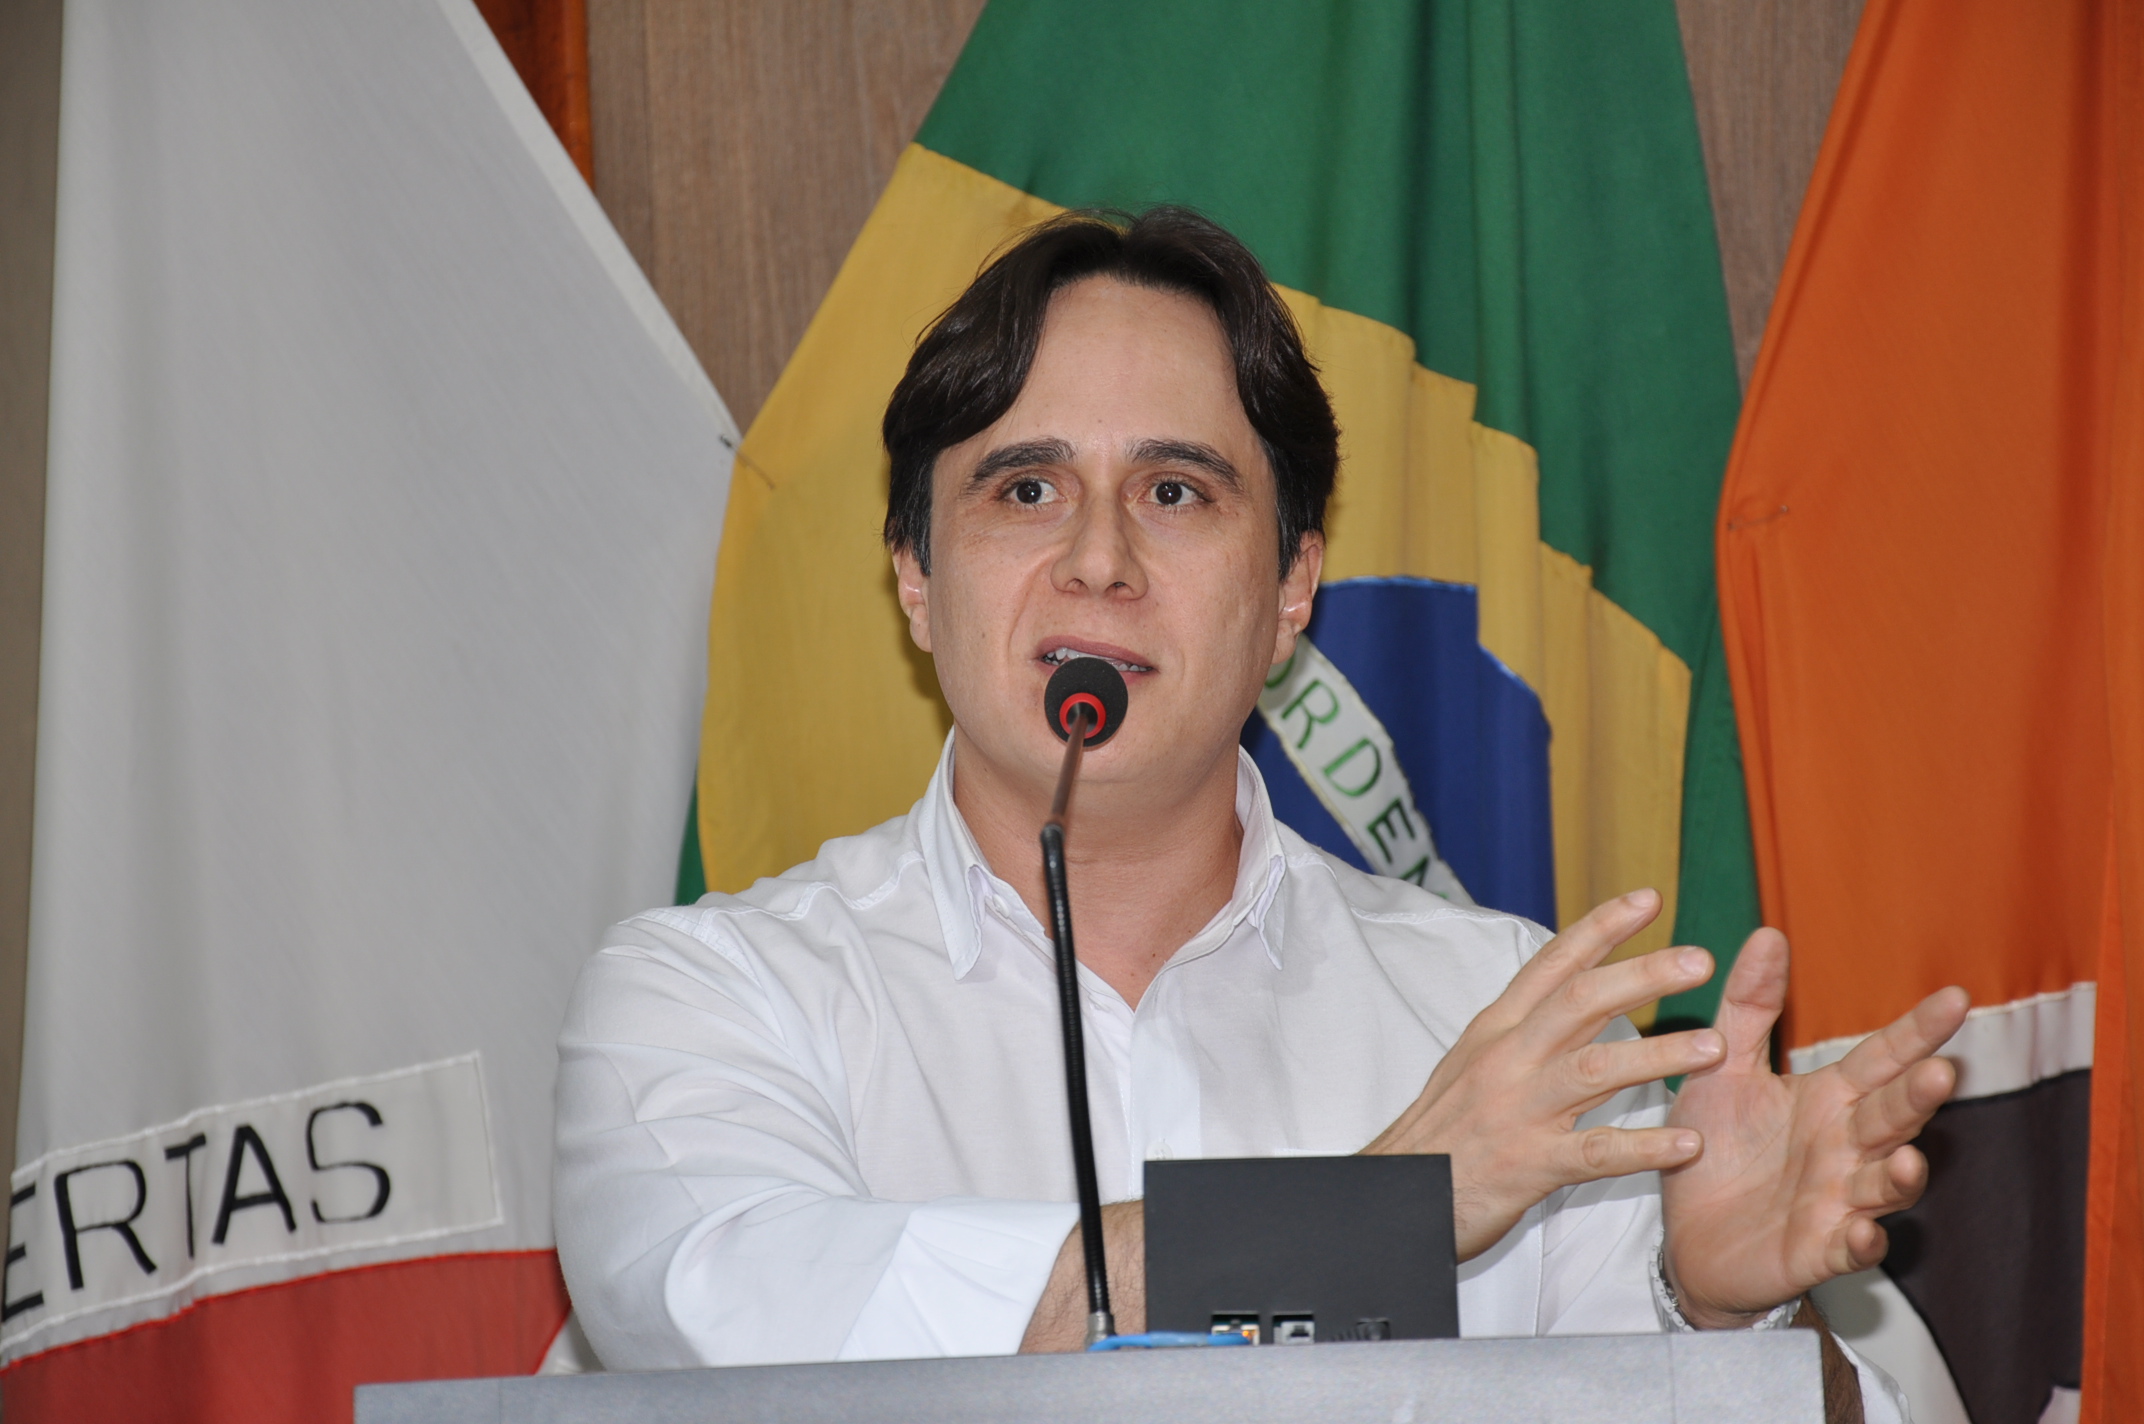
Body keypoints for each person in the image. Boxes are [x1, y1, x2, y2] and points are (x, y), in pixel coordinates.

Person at [554, 208, 1966, 1419]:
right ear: (916, 579)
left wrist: (1729, 1317)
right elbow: (749, 1332)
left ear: (1293, 587)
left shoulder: (1512, 1029)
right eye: (1026, 488)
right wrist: (1390, 1211)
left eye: (1175, 491)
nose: (1099, 560)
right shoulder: (712, 998)